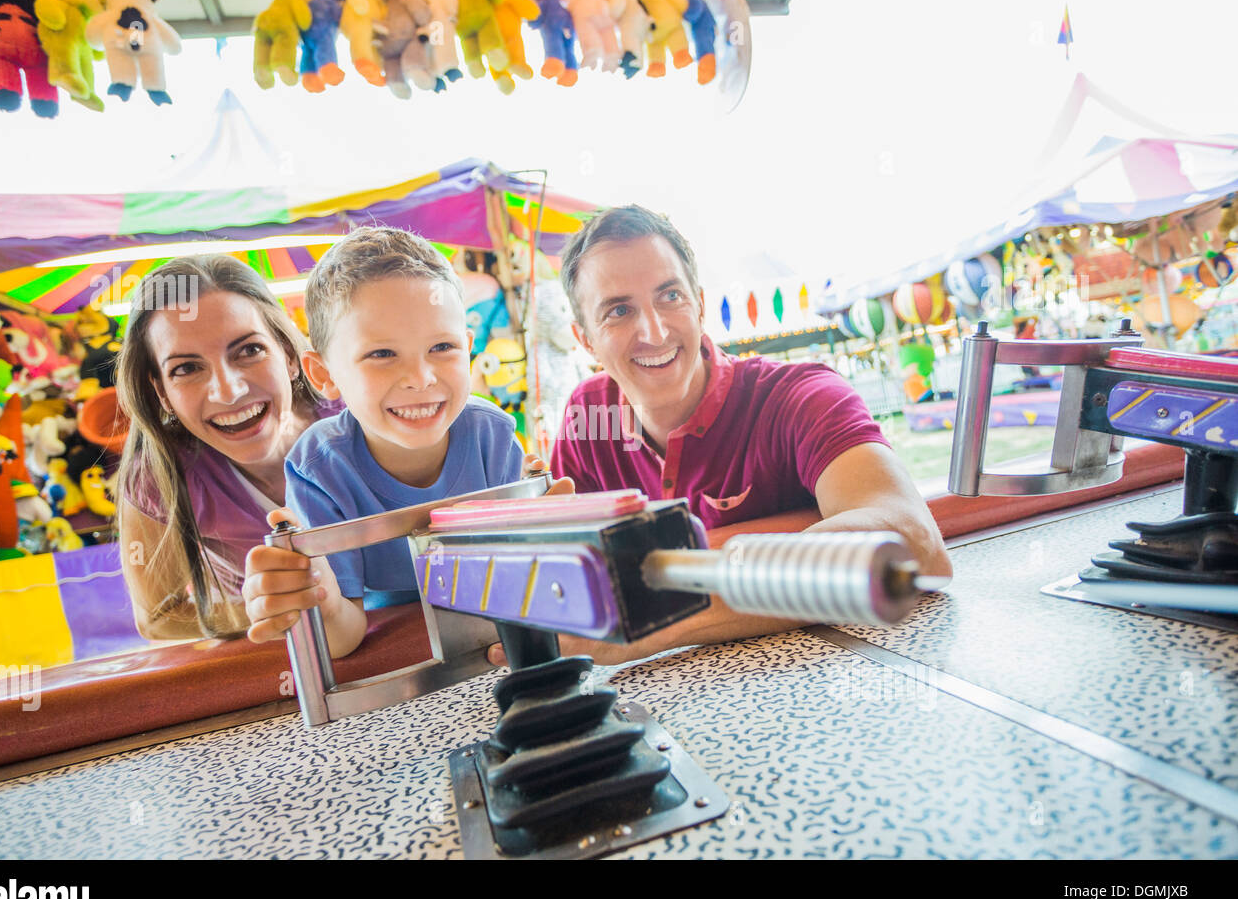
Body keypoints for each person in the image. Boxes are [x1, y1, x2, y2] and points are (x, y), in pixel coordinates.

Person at [506, 205, 952, 665]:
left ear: (699, 304)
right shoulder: (587, 415)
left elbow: (912, 549)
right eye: (619, 310)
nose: (654, 331)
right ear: (585, 341)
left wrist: (650, 615)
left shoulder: (800, 396)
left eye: (670, 296)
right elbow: (559, 581)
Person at [240, 227, 569, 659]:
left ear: (468, 351)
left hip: (495, 651)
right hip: (397, 659)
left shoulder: (492, 435)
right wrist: (315, 593)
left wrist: (556, 550)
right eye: (382, 354)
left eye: (442, 347)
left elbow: (525, 590)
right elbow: (341, 639)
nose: (421, 378)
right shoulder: (319, 469)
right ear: (324, 375)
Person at [116, 255, 342, 642]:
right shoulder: (159, 476)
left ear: (288, 354)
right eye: (186, 369)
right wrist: (264, 609)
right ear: (162, 394)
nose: (229, 390)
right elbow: (157, 617)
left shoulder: (358, 417)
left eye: (249, 350)